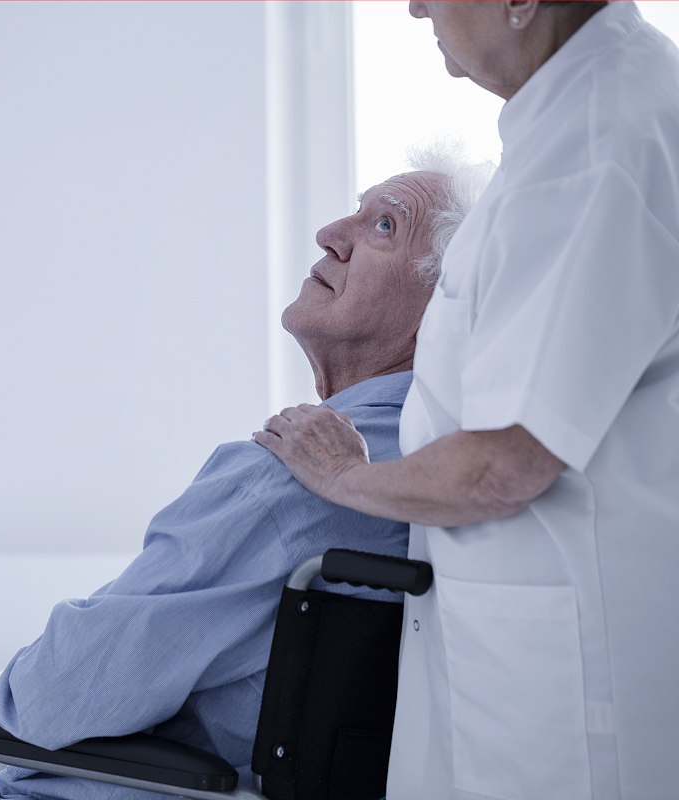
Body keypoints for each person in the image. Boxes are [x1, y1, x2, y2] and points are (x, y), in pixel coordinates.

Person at [0, 160, 488, 800]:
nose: (332, 233)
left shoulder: (292, 475)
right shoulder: (436, 470)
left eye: (385, 225)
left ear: (441, 307)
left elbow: (46, 700)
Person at [255, 3, 679, 798]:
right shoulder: (579, 121)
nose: (415, 5)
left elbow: (503, 463)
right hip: (519, 650)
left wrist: (345, 476)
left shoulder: (597, 144)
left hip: (568, 685)